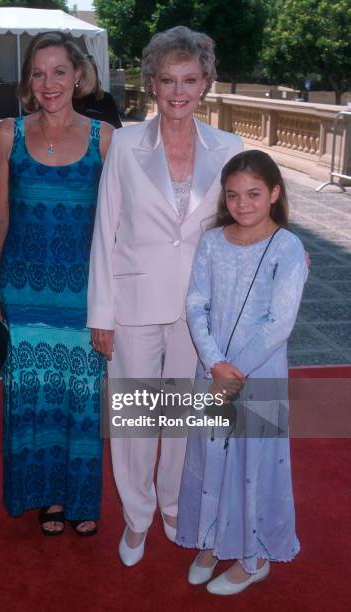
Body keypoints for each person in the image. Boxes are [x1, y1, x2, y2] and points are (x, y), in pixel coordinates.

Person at [87, 26, 242, 565]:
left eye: (190, 80)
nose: (178, 92)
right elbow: (105, 231)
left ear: (206, 84)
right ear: (152, 82)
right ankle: (136, 518)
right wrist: (100, 314)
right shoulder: (126, 143)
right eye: (168, 80)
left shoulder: (229, 149)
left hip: (198, 310)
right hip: (131, 305)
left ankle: (174, 505)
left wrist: (283, 253)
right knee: (134, 420)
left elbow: (243, 223)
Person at [0, 32, 113, 536]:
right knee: (31, 394)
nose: (49, 83)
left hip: (81, 290)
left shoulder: (105, 138)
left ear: (79, 75)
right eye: (38, 73)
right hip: (24, 290)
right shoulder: (7, 134)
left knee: (81, 394)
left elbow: (123, 222)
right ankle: (49, 497)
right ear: (28, 81)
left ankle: (80, 496)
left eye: (59, 72)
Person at [176, 150, 308, 595]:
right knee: (212, 454)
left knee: (254, 461)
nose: (243, 203)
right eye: (233, 195)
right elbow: (196, 304)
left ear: (274, 193)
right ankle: (212, 541)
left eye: (254, 193)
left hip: (259, 372)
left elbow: (279, 323)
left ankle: (255, 558)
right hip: (213, 369)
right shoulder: (212, 241)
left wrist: (237, 370)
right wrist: (215, 363)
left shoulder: (287, 247)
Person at [73, 54, 122, 129]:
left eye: (89, 73)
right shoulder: (70, 98)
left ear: (95, 74)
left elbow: (117, 130)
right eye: (83, 73)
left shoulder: (106, 99)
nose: (86, 77)